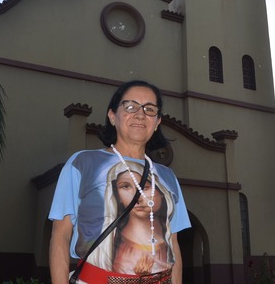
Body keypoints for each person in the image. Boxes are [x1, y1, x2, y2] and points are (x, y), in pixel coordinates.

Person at [49, 80, 190, 284]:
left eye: (150, 109)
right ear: (112, 116)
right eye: (130, 106)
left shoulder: (167, 176)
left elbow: (173, 244)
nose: (141, 114)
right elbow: (60, 235)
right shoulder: (82, 163)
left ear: (157, 121)